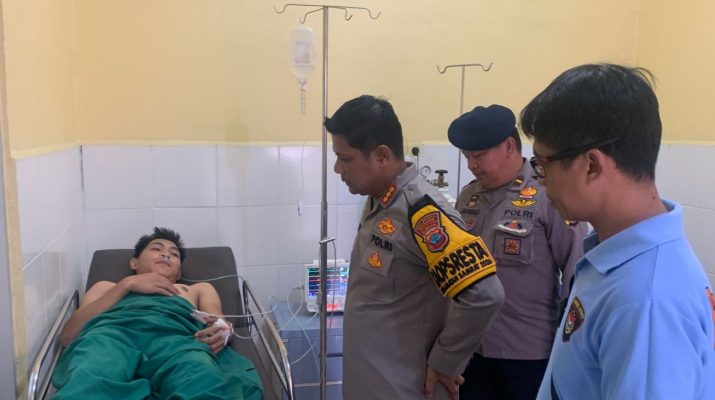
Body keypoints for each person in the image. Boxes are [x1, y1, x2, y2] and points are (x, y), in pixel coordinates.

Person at [520, 63, 715, 399]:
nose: (541, 181)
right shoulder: (616, 256)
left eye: (543, 165)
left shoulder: (646, 301)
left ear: (592, 165)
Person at [325, 95, 505, 400]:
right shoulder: (380, 202)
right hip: (373, 383)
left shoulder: (421, 212)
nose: (337, 168)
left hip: (404, 388)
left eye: (345, 158)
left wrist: (445, 362)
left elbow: (485, 294)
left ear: (381, 155)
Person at [447, 104, 587, 399]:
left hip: (528, 352)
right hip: (472, 349)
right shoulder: (468, 197)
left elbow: (576, 272)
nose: (471, 165)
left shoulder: (548, 193)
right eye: (467, 157)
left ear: (509, 146)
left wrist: (570, 346)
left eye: (479, 155)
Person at [53, 227, 262, 400]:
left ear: (179, 273)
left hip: (176, 341)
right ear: (134, 263)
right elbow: (68, 336)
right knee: (89, 376)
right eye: (156, 249)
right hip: (111, 338)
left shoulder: (197, 289)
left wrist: (222, 330)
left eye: (174, 254)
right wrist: (127, 285)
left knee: (201, 379)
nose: (166, 254)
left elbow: (218, 321)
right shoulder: (107, 287)